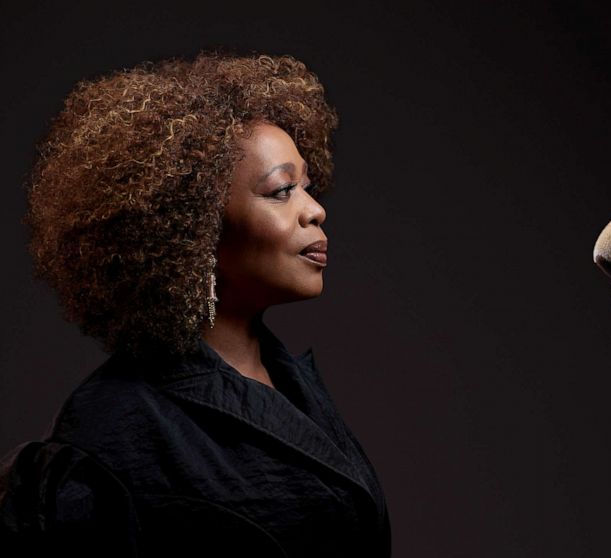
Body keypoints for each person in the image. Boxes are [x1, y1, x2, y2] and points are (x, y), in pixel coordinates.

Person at [0, 50, 390, 557]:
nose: (314, 210)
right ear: (192, 228)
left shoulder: (293, 385)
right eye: (281, 191)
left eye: (308, 188)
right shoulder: (106, 436)